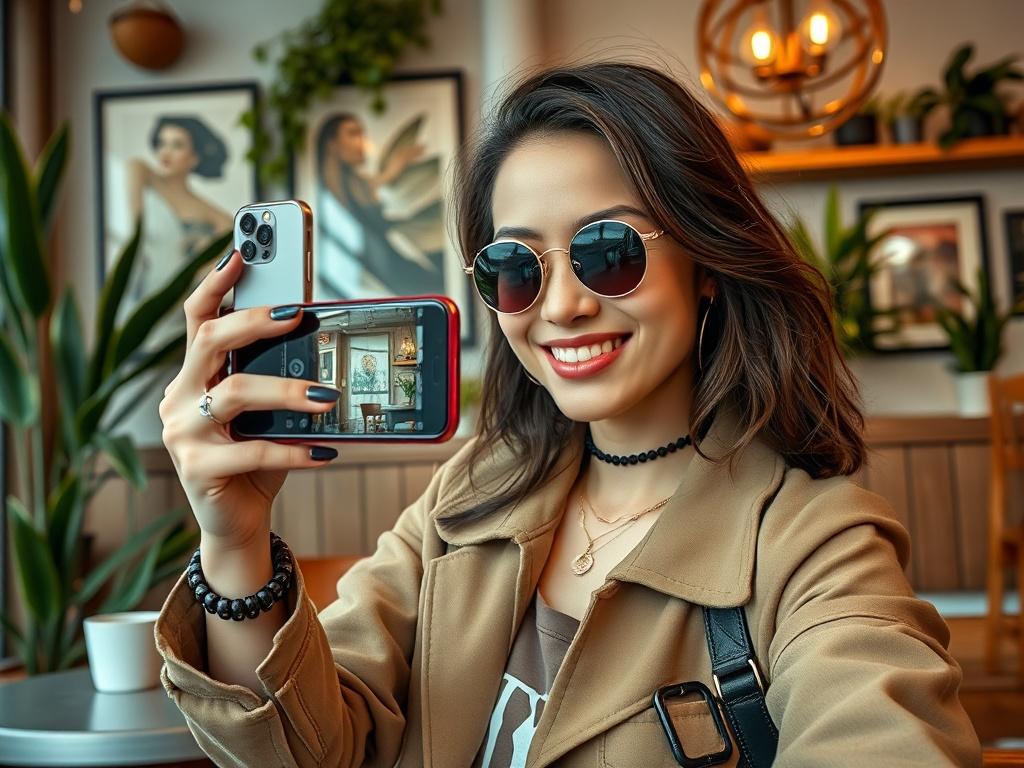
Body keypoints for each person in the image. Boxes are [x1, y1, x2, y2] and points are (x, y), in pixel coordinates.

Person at [154, 62, 982, 767]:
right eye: (515, 267)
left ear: (705, 262)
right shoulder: (469, 495)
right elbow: (308, 747)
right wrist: (234, 543)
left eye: (607, 252)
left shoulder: (813, 541)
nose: (560, 306)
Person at [316, 112, 446, 299]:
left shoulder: (353, 184)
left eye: (362, 133)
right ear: (332, 144)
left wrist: (393, 169)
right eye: (353, 133)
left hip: (394, 272)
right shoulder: (330, 195)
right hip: (383, 278)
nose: (362, 141)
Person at [124, 115, 232, 308]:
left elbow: (206, 273)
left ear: (194, 157)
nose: (165, 152)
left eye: (177, 145)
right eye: (162, 143)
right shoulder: (140, 172)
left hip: (177, 303)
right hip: (140, 294)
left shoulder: (213, 214)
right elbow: (135, 233)